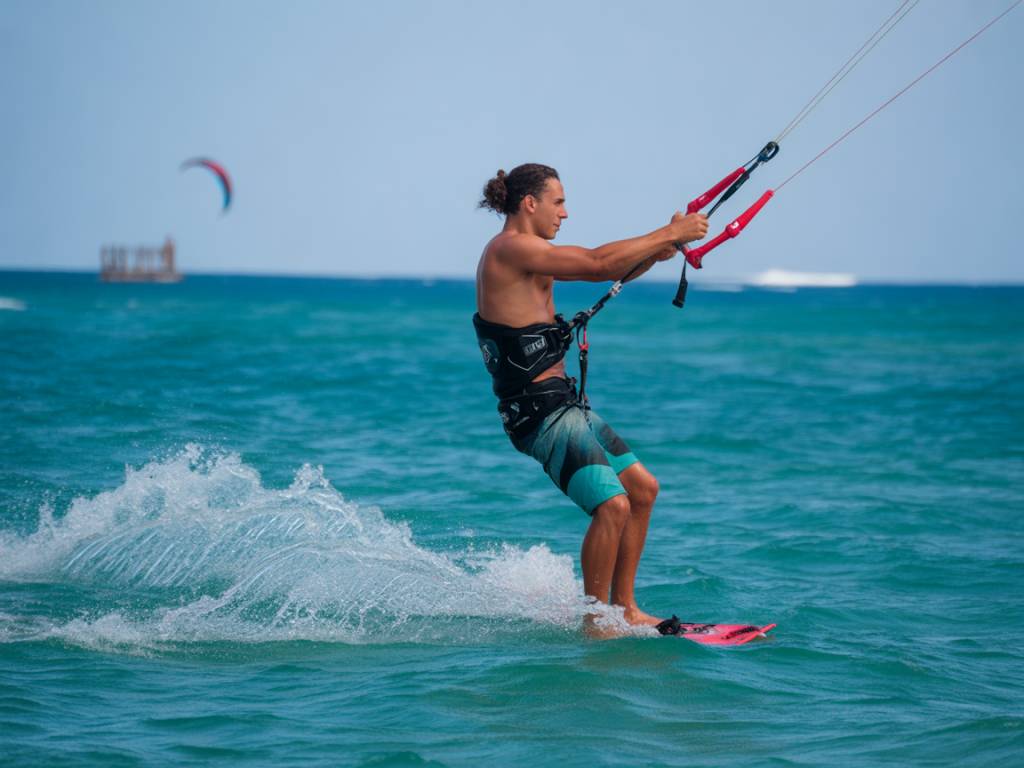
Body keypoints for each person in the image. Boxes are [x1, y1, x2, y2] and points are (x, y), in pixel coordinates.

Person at [473, 163, 708, 634]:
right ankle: (596, 621)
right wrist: (670, 230)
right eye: (558, 202)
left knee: (642, 490)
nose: (566, 212)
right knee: (612, 506)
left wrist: (660, 251)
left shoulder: (533, 253)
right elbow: (599, 263)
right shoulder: (510, 249)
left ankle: (625, 609)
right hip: (538, 412)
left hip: (563, 402)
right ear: (530, 203)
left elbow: (607, 267)